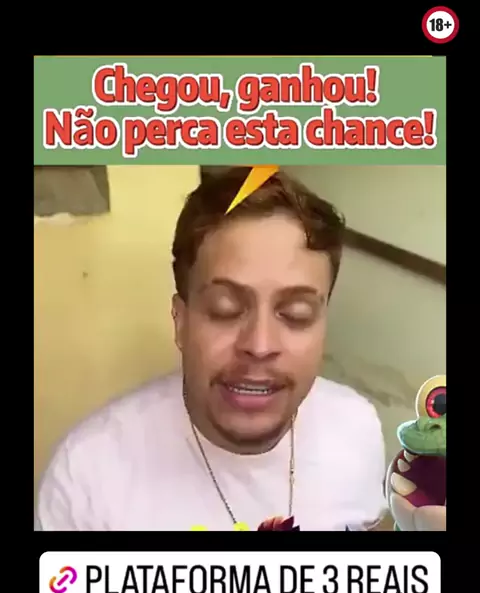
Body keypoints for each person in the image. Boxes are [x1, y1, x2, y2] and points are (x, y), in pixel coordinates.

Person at [35, 167, 387, 531]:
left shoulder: (356, 429)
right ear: (181, 322)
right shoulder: (86, 480)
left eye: (296, 314)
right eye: (225, 310)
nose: (260, 346)